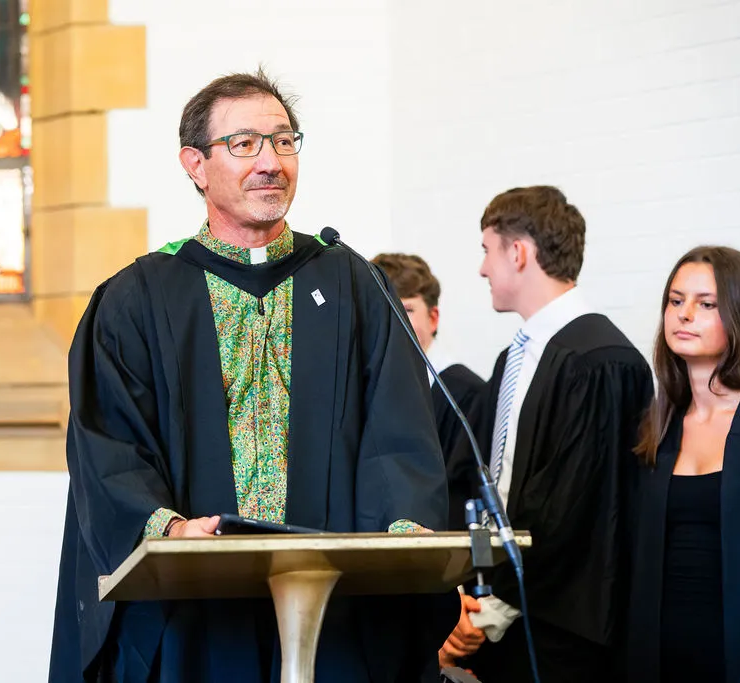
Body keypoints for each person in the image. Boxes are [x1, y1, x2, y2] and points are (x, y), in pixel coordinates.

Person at [47, 69, 458, 683]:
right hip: (198, 618)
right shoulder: (137, 298)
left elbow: (398, 435)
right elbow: (110, 448)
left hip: (336, 611)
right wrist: (168, 528)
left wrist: (401, 528)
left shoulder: (355, 285)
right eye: (244, 144)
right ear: (195, 164)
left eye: (284, 141)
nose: (271, 161)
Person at [440, 186, 654, 682]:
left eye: (487, 251)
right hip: (511, 614)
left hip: (566, 630)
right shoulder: (515, 357)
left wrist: (494, 610)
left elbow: (573, 510)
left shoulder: (599, 360)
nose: (482, 269)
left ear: (519, 252)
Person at [626, 246, 740, 683]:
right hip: (662, 650)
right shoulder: (659, 427)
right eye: (675, 301)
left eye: (707, 303)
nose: (684, 314)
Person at [371, 252, 485, 527]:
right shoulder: (372, 393)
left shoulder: (465, 394)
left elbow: (461, 495)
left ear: (433, 318)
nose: (395, 320)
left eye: (407, 310)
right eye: (387, 309)